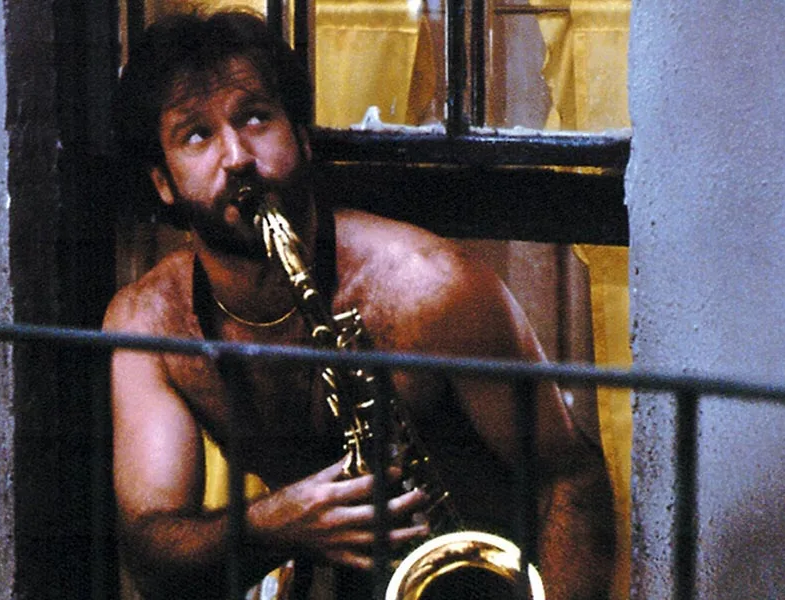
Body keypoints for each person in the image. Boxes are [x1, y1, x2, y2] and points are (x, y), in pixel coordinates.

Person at [103, 9, 615, 600]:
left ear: (301, 137)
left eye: (256, 117)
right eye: (196, 135)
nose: (237, 156)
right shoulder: (150, 323)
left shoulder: (428, 288)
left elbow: (571, 479)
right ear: (163, 182)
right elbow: (152, 551)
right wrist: (273, 523)